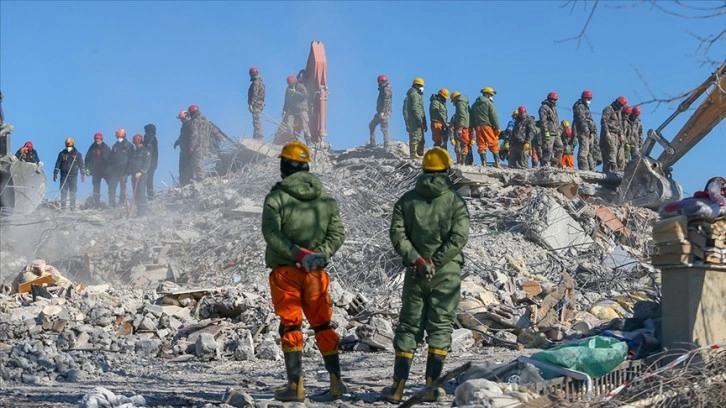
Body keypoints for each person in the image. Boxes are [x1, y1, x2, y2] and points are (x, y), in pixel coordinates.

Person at [382, 147, 470, 403]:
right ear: (446, 170)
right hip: (447, 274)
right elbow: (459, 237)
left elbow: (398, 235)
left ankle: (397, 388)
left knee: (409, 327)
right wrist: (437, 261)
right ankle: (432, 387)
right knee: (441, 327)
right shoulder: (456, 202)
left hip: (416, 273)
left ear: (424, 170)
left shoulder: (406, 201)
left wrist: (418, 260)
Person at [261, 141, 347, 402]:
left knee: (291, 325)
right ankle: (336, 383)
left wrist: (297, 254)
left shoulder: (276, 198)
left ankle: (295, 386)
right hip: (315, 275)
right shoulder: (326, 200)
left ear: (283, 166)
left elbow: (271, 234)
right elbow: (338, 233)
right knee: (322, 324)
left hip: (286, 272)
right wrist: (320, 254)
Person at [188, 104, 223, 181]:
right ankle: (220, 170)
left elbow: (194, 135)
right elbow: (212, 130)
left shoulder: (195, 122)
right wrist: (220, 137)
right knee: (212, 158)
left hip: (198, 145)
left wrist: (191, 147)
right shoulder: (205, 119)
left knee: (198, 162)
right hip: (206, 144)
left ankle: (201, 179)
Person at [470, 87, 501, 167]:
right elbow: (494, 116)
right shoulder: (489, 103)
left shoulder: (474, 105)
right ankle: (497, 163)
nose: (491, 96)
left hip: (478, 127)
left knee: (481, 145)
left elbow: (472, 117)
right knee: (493, 143)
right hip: (487, 127)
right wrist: (497, 127)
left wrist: (473, 126)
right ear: (487, 94)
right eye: (491, 95)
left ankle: (483, 163)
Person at [53, 137, 85, 210]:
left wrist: (83, 174)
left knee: (72, 192)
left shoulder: (77, 154)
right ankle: (63, 208)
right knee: (63, 191)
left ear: (73, 145)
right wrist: (55, 173)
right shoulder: (62, 154)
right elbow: (58, 163)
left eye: (69, 145)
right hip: (64, 176)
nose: (68, 147)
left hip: (73, 176)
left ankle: (72, 208)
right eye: (67, 145)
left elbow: (81, 165)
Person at [572, 90, 599, 171]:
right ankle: (583, 168)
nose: (588, 100)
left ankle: (591, 169)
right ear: (583, 97)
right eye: (587, 98)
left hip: (590, 132)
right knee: (584, 151)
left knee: (590, 151)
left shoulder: (585, 107)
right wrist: (586, 130)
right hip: (584, 132)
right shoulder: (580, 107)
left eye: (590, 98)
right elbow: (581, 119)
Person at [600, 96, 627, 173]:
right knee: (611, 151)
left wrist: (621, 134)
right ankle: (614, 168)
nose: (620, 107)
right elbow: (604, 121)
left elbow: (619, 124)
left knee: (614, 153)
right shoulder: (608, 109)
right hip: (609, 133)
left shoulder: (618, 112)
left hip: (616, 135)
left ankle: (608, 171)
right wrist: (607, 132)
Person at [282, 76, 312, 144]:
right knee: (288, 125)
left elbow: (304, 96)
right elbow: (286, 100)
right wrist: (284, 109)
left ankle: (308, 141)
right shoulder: (288, 88)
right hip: (293, 110)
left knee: (305, 125)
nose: (290, 85)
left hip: (302, 109)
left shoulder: (301, 87)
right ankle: (294, 140)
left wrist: (295, 92)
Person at [84, 132, 111, 207]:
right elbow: (87, 159)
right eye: (96, 139)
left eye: (98, 139)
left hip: (105, 170)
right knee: (96, 187)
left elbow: (111, 159)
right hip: (95, 171)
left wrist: (111, 169)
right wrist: (87, 169)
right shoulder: (92, 148)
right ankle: (96, 203)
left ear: (101, 139)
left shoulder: (106, 148)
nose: (97, 141)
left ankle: (112, 202)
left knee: (111, 184)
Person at [108, 128, 133, 206]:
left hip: (124, 171)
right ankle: (111, 204)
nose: (119, 138)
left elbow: (132, 160)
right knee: (112, 187)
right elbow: (111, 158)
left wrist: (128, 172)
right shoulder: (115, 146)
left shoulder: (129, 146)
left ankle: (121, 203)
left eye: (121, 137)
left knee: (123, 188)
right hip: (114, 171)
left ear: (124, 136)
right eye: (118, 137)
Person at [402, 78, 427, 159]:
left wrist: (424, 121)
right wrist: (418, 119)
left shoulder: (418, 95)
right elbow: (415, 108)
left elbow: (421, 109)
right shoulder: (414, 95)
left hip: (418, 118)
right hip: (414, 119)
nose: (422, 88)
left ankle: (418, 153)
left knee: (419, 136)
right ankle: (413, 154)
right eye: (420, 86)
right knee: (415, 136)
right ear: (416, 86)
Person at [538, 92, 564, 166]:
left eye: (555, 100)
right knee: (548, 149)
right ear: (549, 99)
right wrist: (545, 131)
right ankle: (545, 164)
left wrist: (558, 130)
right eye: (553, 99)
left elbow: (556, 121)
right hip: (548, 132)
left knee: (560, 147)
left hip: (555, 132)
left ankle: (554, 164)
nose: (554, 101)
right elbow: (543, 121)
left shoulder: (553, 108)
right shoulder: (544, 108)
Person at [128, 134, 151, 216]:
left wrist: (141, 172)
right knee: (136, 195)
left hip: (142, 176)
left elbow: (147, 163)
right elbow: (131, 164)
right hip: (134, 176)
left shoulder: (145, 151)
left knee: (141, 193)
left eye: (137, 143)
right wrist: (127, 173)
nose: (136, 145)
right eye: (135, 144)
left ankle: (143, 212)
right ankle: (139, 211)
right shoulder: (134, 153)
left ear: (141, 142)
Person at [368, 74, 393, 149]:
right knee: (372, 125)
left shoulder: (386, 90)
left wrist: (383, 112)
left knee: (384, 128)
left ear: (380, 81)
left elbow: (386, 101)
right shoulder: (383, 89)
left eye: (379, 81)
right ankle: (372, 143)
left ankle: (386, 146)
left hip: (384, 112)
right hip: (380, 112)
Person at [450, 91, 470, 165]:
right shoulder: (464, 103)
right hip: (464, 127)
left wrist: (460, 128)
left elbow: (462, 115)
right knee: (463, 145)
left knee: (463, 144)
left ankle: (462, 162)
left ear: (455, 98)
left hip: (462, 128)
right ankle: (462, 162)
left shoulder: (460, 104)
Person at [174, 111, 193, 186]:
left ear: (187, 116)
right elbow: (182, 136)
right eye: (180, 119)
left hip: (188, 150)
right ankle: (183, 184)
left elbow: (192, 136)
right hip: (183, 150)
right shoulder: (184, 126)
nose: (181, 120)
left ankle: (189, 183)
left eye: (182, 118)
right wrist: (177, 142)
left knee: (188, 167)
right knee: (182, 168)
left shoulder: (190, 124)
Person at [248, 67, 266, 140]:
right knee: (256, 120)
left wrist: (251, 104)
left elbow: (255, 94)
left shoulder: (256, 83)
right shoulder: (261, 82)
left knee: (256, 121)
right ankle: (257, 136)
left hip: (256, 104)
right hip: (260, 103)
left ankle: (258, 138)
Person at [143, 124, 158, 199]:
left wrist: (146, 163)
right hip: (153, 162)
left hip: (149, 162)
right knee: (149, 179)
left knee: (148, 180)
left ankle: (150, 197)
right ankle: (150, 196)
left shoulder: (149, 137)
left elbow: (149, 150)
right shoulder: (153, 137)